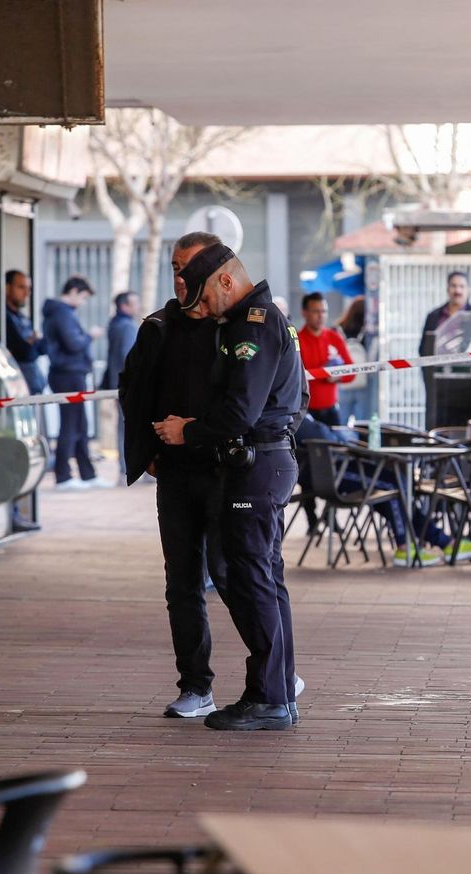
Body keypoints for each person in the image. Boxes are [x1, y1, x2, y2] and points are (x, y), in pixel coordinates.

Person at [154, 232, 303, 731]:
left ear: (225, 278)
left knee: (247, 577)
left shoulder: (253, 326)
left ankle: (269, 696)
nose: (206, 309)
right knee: (257, 575)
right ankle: (276, 690)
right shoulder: (248, 321)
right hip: (264, 460)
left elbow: (239, 411)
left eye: (207, 296)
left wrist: (186, 431)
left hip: (255, 464)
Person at [117, 283, 233, 718]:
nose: (183, 280)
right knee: (182, 582)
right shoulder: (159, 327)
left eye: (191, 269)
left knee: (234, 575)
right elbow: (133, 389)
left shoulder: (239, 325)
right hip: (176, 473)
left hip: (228, 472)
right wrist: (148, 450)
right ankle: (196, 686)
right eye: (176, 269)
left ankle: (275, 672)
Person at [298, 417, 471, 565]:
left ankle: (443, 542)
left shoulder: (296, 411)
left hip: (337, 468)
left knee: (395, 487)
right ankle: (405, 547)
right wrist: (341, 436)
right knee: (393, 487)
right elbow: (327, 437)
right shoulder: (294, 414)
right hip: (330, 475)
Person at [43, 275, 111, 490]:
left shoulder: (63, 313)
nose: (82, 303)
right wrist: (90, 336)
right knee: (70, 425)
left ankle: (87, 474)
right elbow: (73, 343)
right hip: (68, 374)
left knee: (80, 425)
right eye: (82, 297)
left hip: (72, 373)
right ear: (72, 291)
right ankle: (63, 476)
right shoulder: (62, 313)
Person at [419, 272, 471, 427]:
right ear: (447, 289)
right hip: (440, 389)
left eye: (462, 286)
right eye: (454, 286)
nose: (458, 290)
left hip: (470, 389)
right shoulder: (434, 316)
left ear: (468, 290)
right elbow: (423, 350)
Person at [0, 270, 48, 395]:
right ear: (7, 288)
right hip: (11, 390)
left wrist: (31, 343)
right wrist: (32, 342)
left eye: (29, 288)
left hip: (28, 388)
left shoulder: (19, 316)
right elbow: (24, 352)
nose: (27, 293)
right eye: (21, 287)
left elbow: (43, 347)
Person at [298, 292, 356, 426]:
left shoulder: (334, 337)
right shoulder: (297, 340)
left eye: (324, 311)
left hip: (332, 411)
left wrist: (337, 376)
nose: (321, 316)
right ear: (304, 313)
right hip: (305, 412)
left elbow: (352, 373)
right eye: (316, 311)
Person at [101, 291, 141, 477]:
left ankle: (125, 467)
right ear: (124, 306)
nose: (138, 306)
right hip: (129, 384)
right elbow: (129, 356)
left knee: (124, 426)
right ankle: (131, 467)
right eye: (134, 303)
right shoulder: (127, 326)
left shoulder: (114, 325)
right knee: (132, 427)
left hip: (117, 382)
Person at [335, 296, 375, 424]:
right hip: (362, 383)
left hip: (343, 382)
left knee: (341, 422)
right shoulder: (368, 332)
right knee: (361, 423)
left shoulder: (338, 329)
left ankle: (341, 443)